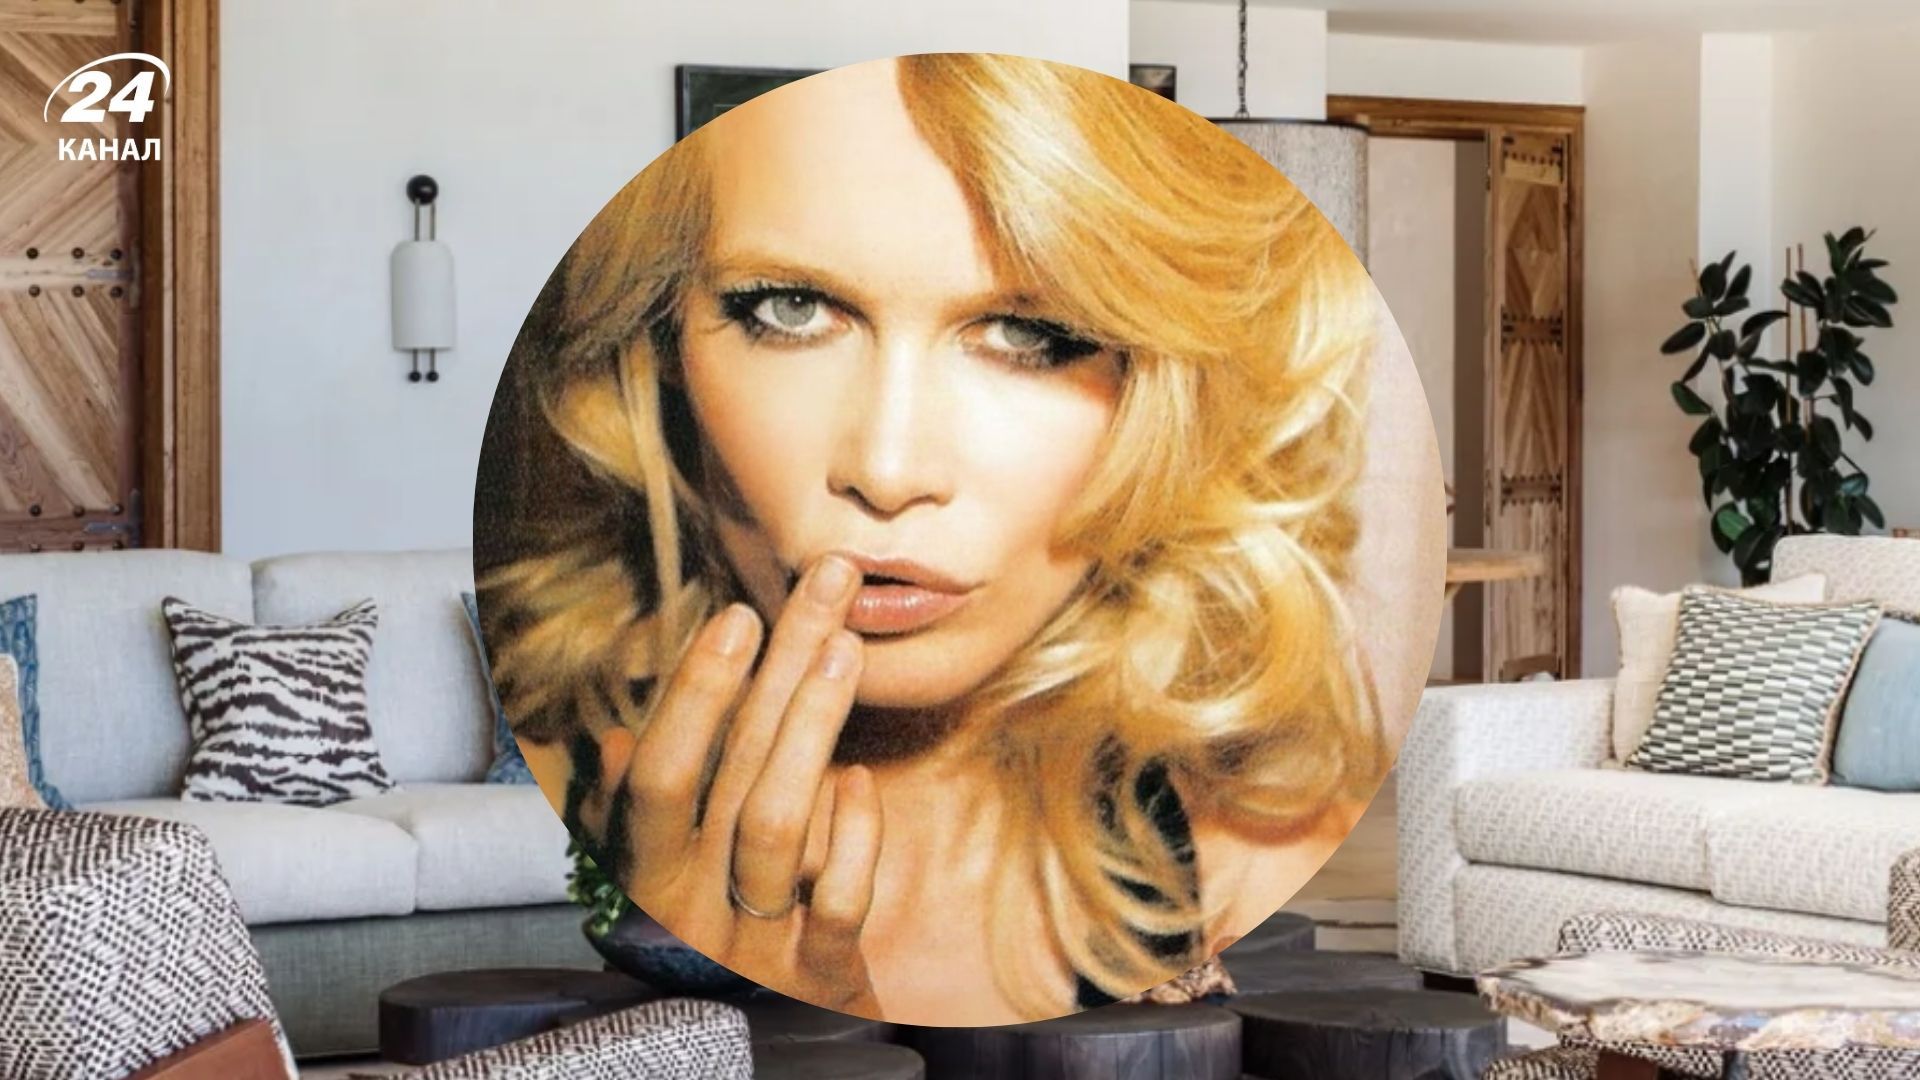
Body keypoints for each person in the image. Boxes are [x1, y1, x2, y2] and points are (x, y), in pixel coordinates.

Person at [475, 52, 1396, 1025]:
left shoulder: (1266, 859)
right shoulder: (535, 821)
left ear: (1159, 385)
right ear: (662, 347)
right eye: (791, 309)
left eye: (1031, 335)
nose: (889, 469)